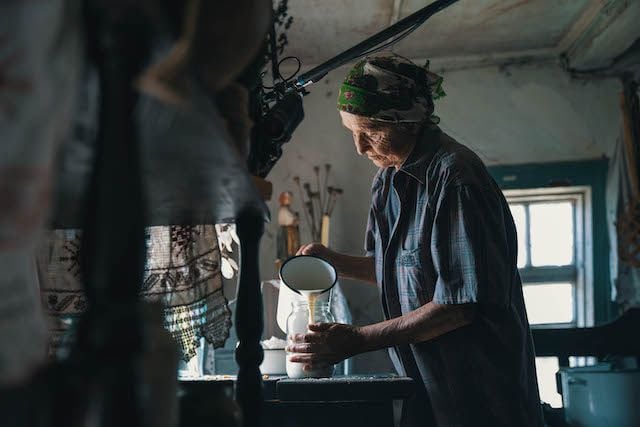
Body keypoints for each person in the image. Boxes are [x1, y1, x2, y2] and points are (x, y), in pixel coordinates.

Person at [288, 55, 544, 427]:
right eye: (351, 131)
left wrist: (358, 339)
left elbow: (458, 305)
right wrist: (334, 262)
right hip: (425, 383)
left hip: (480, 389)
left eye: (371, 131)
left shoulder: (456, 179)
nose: (360, 147)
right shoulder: (388, 178)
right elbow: (395, 270)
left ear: (409, 122)